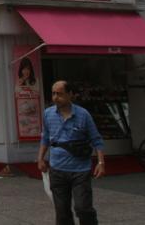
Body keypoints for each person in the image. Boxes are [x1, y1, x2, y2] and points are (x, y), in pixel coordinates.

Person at [37, 80, 105, 225]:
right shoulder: (48, 114)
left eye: (60, 94)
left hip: (80, 170)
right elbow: (45, 138)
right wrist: (41, 159)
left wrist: (100, 162)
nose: (55, 97)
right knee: (62, 212)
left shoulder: (83, 115)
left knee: (83, 208)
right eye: (53, 93)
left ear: (70, 95)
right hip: (57, 169)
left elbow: (96, 139)